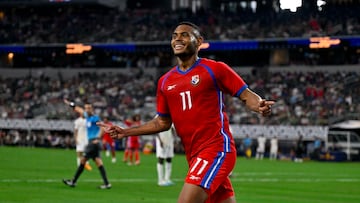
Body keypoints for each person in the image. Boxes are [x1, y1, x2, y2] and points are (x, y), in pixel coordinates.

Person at [98, 22, 274, 203]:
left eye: (184, 35)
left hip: (216, 149)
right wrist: (126, 132)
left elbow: (246, 95)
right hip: (194, 156)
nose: (177, 39)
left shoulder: (215, 69)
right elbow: (162, 123)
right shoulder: (165, 82)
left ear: (198, 42)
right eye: (174, 36)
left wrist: (259, 104)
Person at [63, 99, 111, 189]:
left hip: (93, 142)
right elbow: (78, 109)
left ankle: (73, 181)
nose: (87, 110)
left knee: (83, 161)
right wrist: (70, 104)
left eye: (89, 108)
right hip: (92, 143)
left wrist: (98, 138)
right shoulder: (87, 116)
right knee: (98, 162)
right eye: (86, 108)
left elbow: (103, 128)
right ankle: (107, 183)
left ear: (92, 109)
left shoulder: (95, 118)